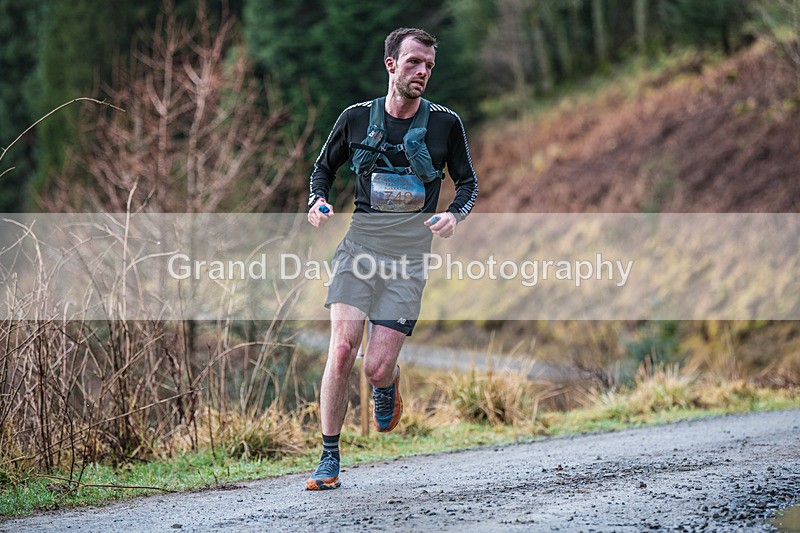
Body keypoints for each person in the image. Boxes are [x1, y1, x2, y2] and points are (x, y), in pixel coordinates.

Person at [304, 27, 478, 490]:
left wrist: (454, 215)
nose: (422, 72)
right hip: (358, 251)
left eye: (429, 66)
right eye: (414, 63)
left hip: (408, 263)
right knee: (341, 349)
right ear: (391, 65)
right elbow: (322, 168)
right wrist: (317, 201)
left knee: (374, 367)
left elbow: (468, 185)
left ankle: (387, 382)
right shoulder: (356, 118)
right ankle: (328, 457)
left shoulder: (446, 124)